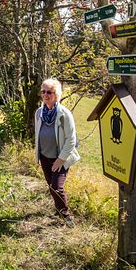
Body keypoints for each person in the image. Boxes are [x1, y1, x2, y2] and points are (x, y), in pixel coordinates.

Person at [34, 78, 80, 228]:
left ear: (57, 94)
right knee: (51, 185)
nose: (46, 94)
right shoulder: (39, 113)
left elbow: (71, 139)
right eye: (43, 91)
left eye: (50, 92)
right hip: (44, 157)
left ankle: (66, 216)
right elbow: (37, 135)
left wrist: (61, 159)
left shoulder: (64, 114)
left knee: (56, 186)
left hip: (60, 158)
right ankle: (58, 210)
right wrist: (38, 155)